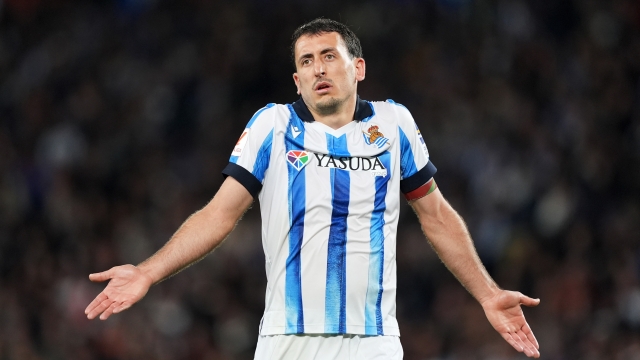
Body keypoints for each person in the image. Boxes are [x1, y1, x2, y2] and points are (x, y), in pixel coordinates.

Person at [85, 18, 541, 359]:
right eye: (306, 62)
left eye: (328, 56)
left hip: (374, 342)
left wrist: (487, 293)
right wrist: (147, 272)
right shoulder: (273, 126)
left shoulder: (394, 123)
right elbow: (217, 214)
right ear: (297, 81)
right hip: (288, 339)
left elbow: (436, 215)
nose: (318, 68)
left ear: (358, 67)